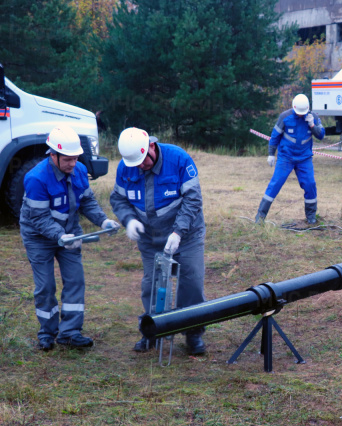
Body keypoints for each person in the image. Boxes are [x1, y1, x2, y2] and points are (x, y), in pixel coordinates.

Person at [20, 125, 121, 350]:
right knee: (45, 286)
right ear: (52, 155)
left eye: (75, 158)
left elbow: (87, 202)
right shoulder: (36, 178)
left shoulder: (79, 170)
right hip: (38, 237)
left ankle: (70, 332)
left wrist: (103, 221)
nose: (73, 164)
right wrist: (61, 236)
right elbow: (39, 218)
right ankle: (47, 332)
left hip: (69, 232)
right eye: (67, 160)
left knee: (75, 280)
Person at [110, 127, 207, 354]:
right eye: (136, 164)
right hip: (150, 239)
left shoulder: (179, 159)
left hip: (186, 235)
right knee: (152, 285)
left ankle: (193, 333)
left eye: (143, 161)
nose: (140, 167)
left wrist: (178, 232)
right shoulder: (126, 167)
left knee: (191, 283)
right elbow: (118, 198)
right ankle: (153, 330)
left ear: (151, 146)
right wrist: (128, 219)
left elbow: (193, 200)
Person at [255, 94, 325, 224]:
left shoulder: (313, 117)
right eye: (298, 113)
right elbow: (275, 135)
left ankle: (311, 217)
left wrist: (312, 125)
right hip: (286, 158)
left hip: (304, 159)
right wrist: (271, 153)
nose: (300, 115)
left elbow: (321, 136)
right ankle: (260, 217)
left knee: (310, 185)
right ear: (293, 107)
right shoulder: (285, 117)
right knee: (275, 184)